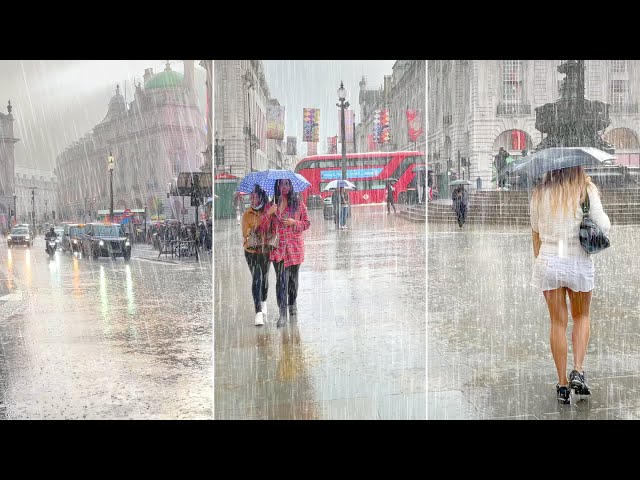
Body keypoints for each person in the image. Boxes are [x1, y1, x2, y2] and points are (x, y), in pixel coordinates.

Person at [530, 166, 610, 404]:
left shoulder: (539, 193)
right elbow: (603, 225)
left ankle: (562, 384)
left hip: (550, 259)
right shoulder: (585, 189)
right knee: (582, 316)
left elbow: (535, 231)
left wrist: (543, 261)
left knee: (557, 322)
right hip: (577, 261)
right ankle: (578, 370)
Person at [265, 178, 311, 327]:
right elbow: (264, 228)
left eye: (287, 184)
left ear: (291, 186)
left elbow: (307, 223)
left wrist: (294, 222)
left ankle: (292, 303)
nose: (284, 187)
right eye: (281, 184)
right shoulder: (272, 205)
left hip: (294, 248)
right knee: (281, 281)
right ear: (277, 185)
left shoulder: (298, 204)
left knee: (293, 281)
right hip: (278, 248)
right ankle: (282, 313)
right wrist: (269, 214)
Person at [241, 185, 273, 326]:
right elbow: (247, 232)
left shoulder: (269, 210)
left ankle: (264, 300)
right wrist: (262, 220)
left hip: (266, 250)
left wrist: (270, 215)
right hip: (251, 251)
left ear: (261, 197)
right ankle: (258, 311)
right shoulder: (247, 214)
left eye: (255, 197)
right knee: (256, 278)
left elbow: (273, 227)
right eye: (251, 197)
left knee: (264, 278)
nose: (253, 200)